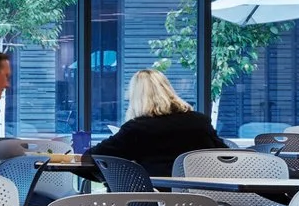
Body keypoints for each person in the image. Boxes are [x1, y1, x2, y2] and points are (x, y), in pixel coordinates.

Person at [90, 67, 226, 175]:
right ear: (168, 91)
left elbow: (93, 155)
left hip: (154, 202)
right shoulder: (200, 121)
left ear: (136, 98)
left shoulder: (137, 129)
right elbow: (225, 155)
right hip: (202, 201)